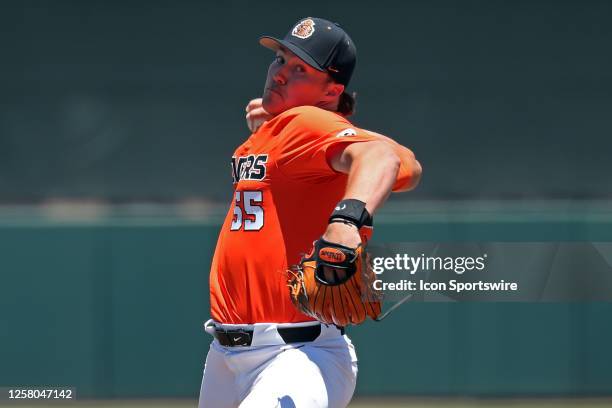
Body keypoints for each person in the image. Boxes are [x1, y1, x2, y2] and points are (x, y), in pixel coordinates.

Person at [198, 17, 422, 408]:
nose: (280, 73)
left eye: (300, 69)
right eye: (281, 59)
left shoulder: (306, 122)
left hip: (294, 357)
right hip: (226, 356)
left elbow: (382, 157)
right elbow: (405, 165)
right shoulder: (289, 130)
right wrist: (279, 129)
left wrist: (347, 219)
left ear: (331, 90)